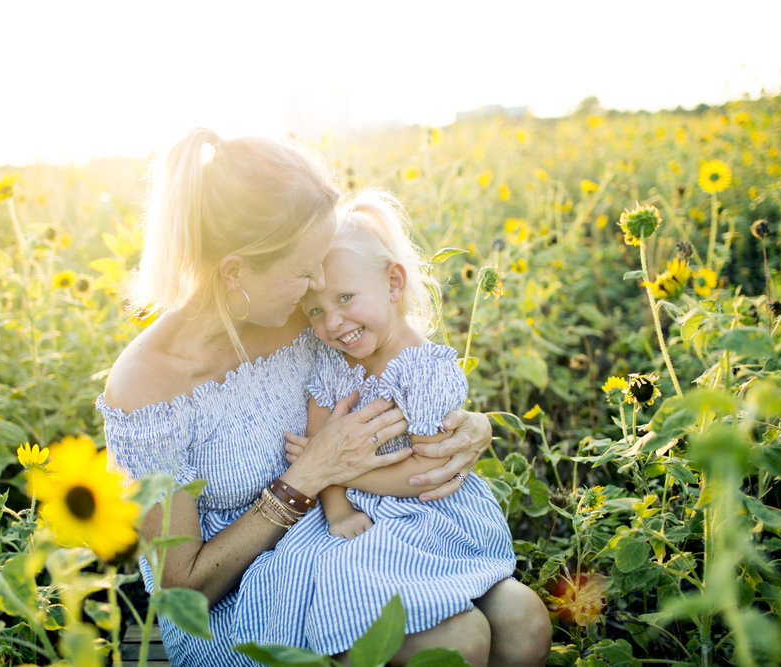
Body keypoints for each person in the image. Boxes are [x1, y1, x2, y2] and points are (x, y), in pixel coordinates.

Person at [98, 127, 548, 666]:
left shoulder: (301, 310)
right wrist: (307, 477)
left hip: (353, 531)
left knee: (523, 619)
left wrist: (472, 422)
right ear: (235, 271)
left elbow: (395, 362)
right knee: (459, 640)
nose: (317, 283)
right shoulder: (146, 390)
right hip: (243, 595)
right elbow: (182, 592)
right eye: (303, 270)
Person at [230, 189, 550, 666]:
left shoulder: (422, 370)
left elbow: (427, 472)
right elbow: (319, 446)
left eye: (345, 298)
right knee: (348, 570)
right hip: (352, 517)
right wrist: (336, 508)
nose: (332, 322)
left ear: (394, 283)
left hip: (427, 513)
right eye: (315, 310)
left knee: (526, 620)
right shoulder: (334, 367)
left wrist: (338, 470)